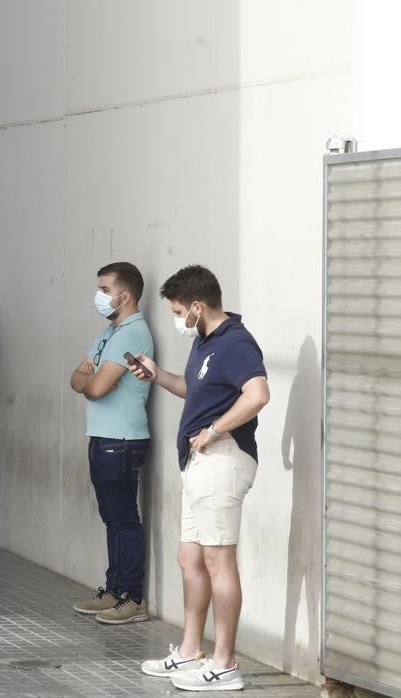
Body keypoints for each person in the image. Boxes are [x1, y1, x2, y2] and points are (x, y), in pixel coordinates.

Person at [133, 265, 269, 692]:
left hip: (222, 462)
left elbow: (258, 394)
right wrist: (157, 375)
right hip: (199, 464)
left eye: (178, 311)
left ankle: (225, 664)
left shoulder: (236, 343)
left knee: (218, 562)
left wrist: (215, 430)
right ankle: (191, 651)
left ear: (197, 305)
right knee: (190, 559)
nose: (178, 320)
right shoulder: (206, 343)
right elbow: (197, 393)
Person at [68, 262, 154, 624]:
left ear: (125, 295)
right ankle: (114, 589)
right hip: (102, 436)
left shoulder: (133, 334)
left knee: (123, 519)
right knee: (111, 518)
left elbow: (96, 386)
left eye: (105, 289)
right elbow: (76, 379)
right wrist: (88, 379)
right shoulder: (110, 332)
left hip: (122, 439)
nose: (99, 296)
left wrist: (91, 379)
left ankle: (132, 597)